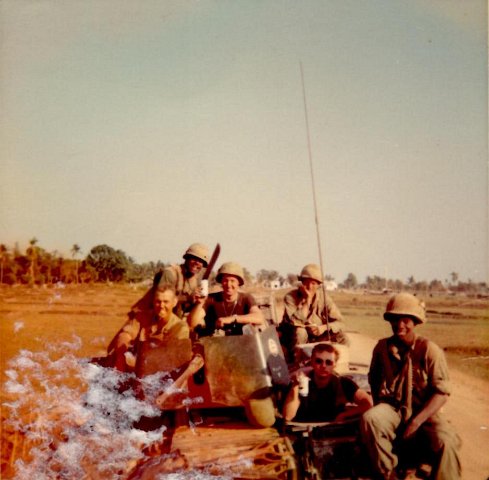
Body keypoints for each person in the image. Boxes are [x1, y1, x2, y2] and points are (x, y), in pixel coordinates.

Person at [360, 293, 461, 480]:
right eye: (395, 319)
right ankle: (389, 472)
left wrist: (416, 421)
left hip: (425, 411)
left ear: (415, 322)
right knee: (371, 419)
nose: (400, 325)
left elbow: (442, 392)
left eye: (406, 320)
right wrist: (382, 409)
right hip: (394, 408)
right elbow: (373, 379)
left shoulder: (429, 350)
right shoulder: (382, 348)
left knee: (446, 441)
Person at [106, 284, 190, 372]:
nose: (161, 305)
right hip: (138, 364)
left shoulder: (180, 327)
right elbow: (125, 335)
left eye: (166, 302)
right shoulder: (142, 316)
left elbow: (173, 358)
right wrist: (121, 357)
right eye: (158, 301)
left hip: (161, 371)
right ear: (153, 302)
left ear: (174, 302)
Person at [282, 343, 372, 422]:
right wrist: (295, 387)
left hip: (332, 430)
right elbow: (288, 416)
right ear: (312, 362)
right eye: (318, 361)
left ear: (335, 364)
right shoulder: (302, 382)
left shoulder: (342, 383)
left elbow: (368, 403)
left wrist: (345, 415)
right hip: (305, 431)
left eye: (329, 362)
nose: (323, 366)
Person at [280, 264, 348, 362]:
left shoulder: (324, 298)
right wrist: (307, 301)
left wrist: (323, 328)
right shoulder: (290, 297)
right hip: (293, 339)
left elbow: (341, 323)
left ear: (318, 285)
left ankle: (336, 364)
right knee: (301, 332)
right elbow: (294, 321)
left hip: (316, 337)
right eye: (306, 283)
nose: (309, 287)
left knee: (342, 337)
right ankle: (298, 363)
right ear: (301, 282)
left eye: (313, 283)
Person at [188, 261, 265, 337]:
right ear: (221, 282)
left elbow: (259, 318)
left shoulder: (246, 298)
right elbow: (192, 323)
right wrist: (199, 303)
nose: (228, 284)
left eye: (232, 281)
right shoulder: (211, 299)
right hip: (215, 343)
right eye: (225, 280)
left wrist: (233, 319)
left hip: (241, 343)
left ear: (239, 283)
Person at [155, 242, 209, 318]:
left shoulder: (194, 280)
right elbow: (161, 301)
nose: (196, 263)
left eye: (200, 261)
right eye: (194, 258)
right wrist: (188, 298)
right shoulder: (170, 273)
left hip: (177, 317)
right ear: (187, 258)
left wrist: (196, 301)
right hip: (159, 316)